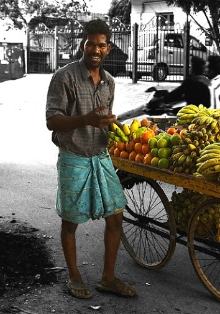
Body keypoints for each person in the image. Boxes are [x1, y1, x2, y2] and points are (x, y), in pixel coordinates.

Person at [45, 19, 135, 299]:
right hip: (74, 157)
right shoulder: (65, 77)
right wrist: (86, 119)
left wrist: (115, 129)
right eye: (90, 44)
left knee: (116, 217)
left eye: (101, 45)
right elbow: (52, 121)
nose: (96, 50)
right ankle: (74, 276)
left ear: (108, 49)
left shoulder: (108, 82)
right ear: (82, 45)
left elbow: (103, 122)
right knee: (71, 220)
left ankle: (108, 278)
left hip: (101, 155)